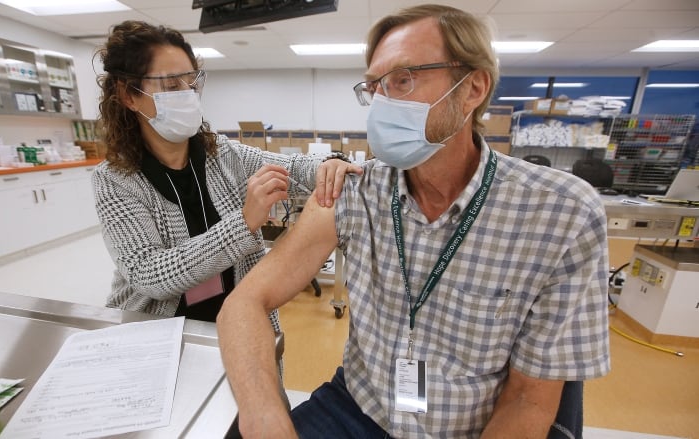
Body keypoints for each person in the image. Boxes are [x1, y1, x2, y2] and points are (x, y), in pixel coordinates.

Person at [217, 4, 610, 438]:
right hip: (362, 410)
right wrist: (266, 416)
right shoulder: (355, 192)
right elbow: (243, 305)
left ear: (473, 87)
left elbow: (528, 399)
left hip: (473, 425)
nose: (382, 103)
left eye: (403, 80)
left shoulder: (561, 213)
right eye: (374, 87)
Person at [91, 20, 361, 326]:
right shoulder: (115, 180)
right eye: (171, 85)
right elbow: (150, 274)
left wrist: (330, 164)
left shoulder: (221, 154)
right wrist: (244, 223)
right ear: (129, 95)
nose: (188, 94)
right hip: (160, 333)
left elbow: (296, 169)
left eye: (191, 83)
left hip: (238, 321)